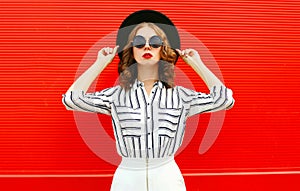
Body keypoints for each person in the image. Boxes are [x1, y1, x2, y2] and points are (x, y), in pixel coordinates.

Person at [62, 10, 234, 191]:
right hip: (127, 179)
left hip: (167, 178)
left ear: (163, 49)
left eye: (155, 42)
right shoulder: (115, 96)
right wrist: (100, 63)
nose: (146, 47)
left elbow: (224, 99)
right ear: (131, 49)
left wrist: (197, 64)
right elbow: (71, 99)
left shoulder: (180, 96)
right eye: (138, 42)